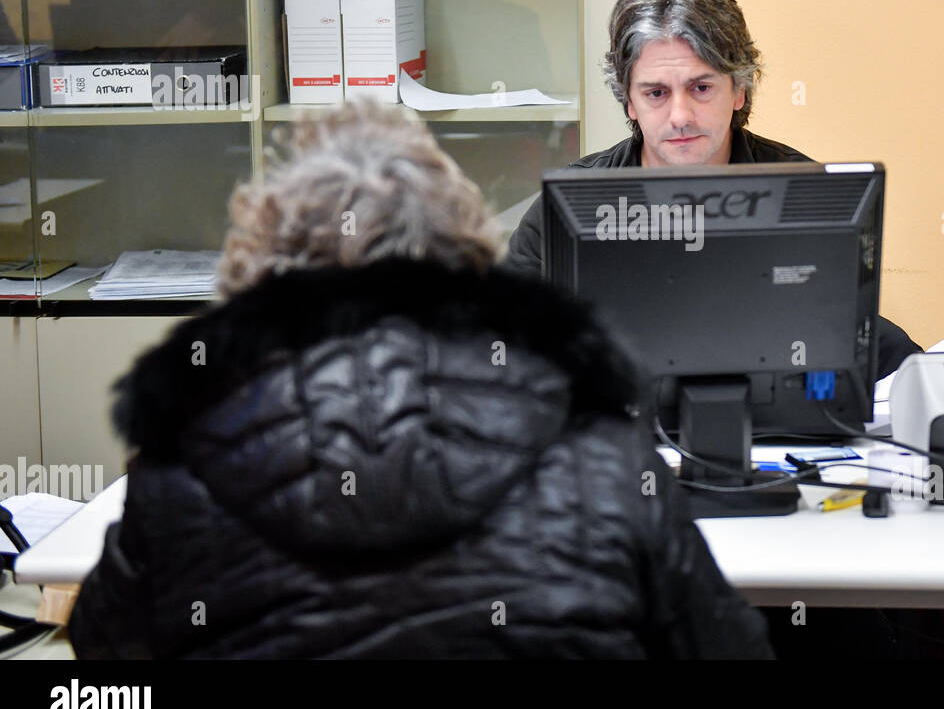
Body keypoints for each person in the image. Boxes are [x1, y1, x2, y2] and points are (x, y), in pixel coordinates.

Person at [67, 105, 773, 659]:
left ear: (262, 272)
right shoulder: (607, 459)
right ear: (465, 258)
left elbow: (105, 653)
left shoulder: (181, 476)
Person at [504, 0, 922, 376]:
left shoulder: (802, 195)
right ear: (629, 101)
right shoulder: (563, 212)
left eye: (701, 88)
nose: (680, 116)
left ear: (739, 88)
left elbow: (862, 340)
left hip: (769, 440)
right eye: (656, 93)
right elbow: (497, 351)